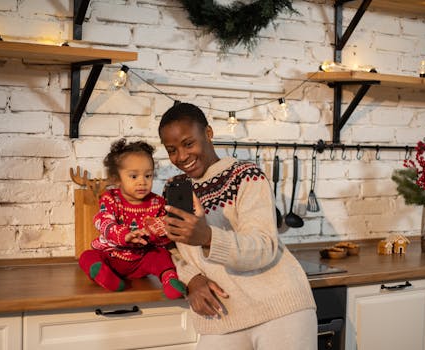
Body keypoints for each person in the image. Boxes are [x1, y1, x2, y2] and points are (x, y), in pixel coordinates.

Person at [158, 103, 317, 349]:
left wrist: (208, 237)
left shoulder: (246, 175)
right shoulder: (174, 188)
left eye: (188, 144)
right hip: (221, 313)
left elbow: (264, 247)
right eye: (172, 150)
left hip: (279, 309)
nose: (181, 156)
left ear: (208, 134)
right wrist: (193, 279)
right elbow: (173, 250)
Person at [78, 138, 186, 300]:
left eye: (148, 175)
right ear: (116, 178)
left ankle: (169, 279)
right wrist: (124, 235)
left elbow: (165, 233)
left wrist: (152, 233)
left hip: (142, 259)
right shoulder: (110, 199)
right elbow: (103, 221)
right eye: (134, 176)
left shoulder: (157, 203)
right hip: (113, 256)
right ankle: (104, 275)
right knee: (87, 256)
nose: (142, 182)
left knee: (161, 256)